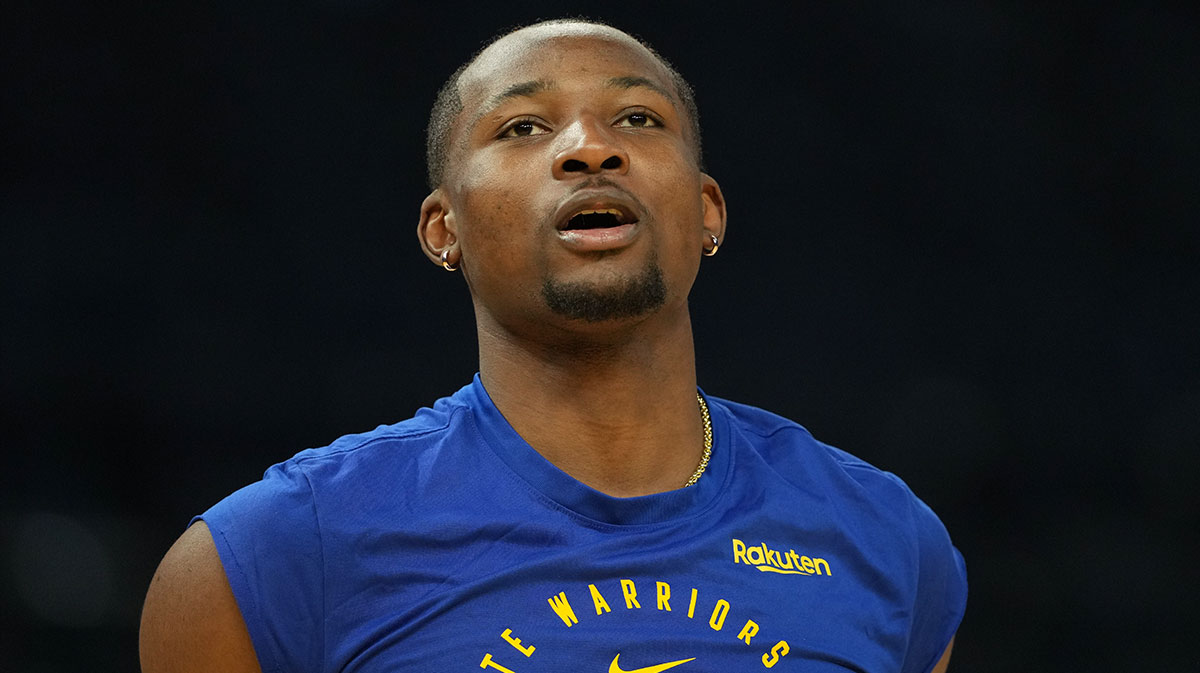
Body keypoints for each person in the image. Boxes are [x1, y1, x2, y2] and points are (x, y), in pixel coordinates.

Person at [139, 19, 966, 673]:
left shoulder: (889, 540)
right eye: (524, 126)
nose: (588, 147)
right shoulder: (273, 559)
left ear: (706, 210)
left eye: (638, 119)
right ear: (443, 229)